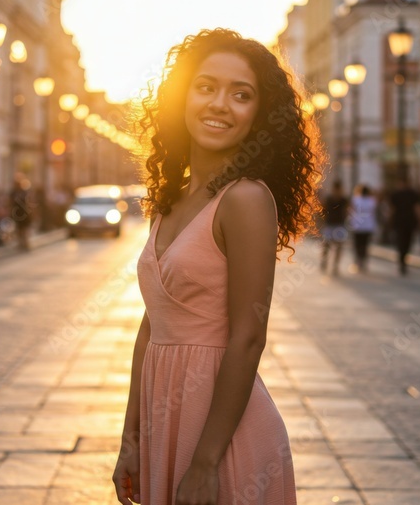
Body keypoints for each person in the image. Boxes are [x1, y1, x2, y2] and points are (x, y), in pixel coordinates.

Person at [112, 28, 321, 505]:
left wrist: (206, 462)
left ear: (260, 115)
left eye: (241, 94)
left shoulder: (245, 199)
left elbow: (249, 336)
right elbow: (153, 323)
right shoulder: (170, 199)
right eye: (206, 86)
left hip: (221, 434)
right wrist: (132, 438)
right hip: (166, 416)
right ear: (181, 96)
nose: (220, 104)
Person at [388, 177, 420, 276]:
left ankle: (402, 261)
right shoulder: (412, 194)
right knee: (407, 242)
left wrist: (389, 221)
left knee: (401, 242)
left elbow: (392, 210)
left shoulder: (397, 195)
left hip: (400, 222)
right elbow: (418, 209)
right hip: (409, 222)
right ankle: (403, 261)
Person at [319, 180, 349, 275]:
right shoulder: (329, 199)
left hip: (340, 224)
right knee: (326, 245)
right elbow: (323, 210)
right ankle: (324, 261)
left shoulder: (344, 200)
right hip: (330, 224)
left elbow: (347, 211)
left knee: (339, 246)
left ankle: (335, 265)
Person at [348, 184, 377, 272]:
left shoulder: (355, 199)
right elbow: (373, 211)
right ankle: (364, 261)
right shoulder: (372, 201)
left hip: (357, 225)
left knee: (357, 244)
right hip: (368, 226)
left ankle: (358, 261)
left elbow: (351, 210)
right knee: (365, 245)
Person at [9, 173, 34, 250]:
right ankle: (21, 243)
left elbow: (29, 202)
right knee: (19, 229)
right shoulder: (13, 192)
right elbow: (10, 202)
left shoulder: (24, 192)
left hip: (24, 213)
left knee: (24, 229)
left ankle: (25, 243)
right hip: (17, 213)